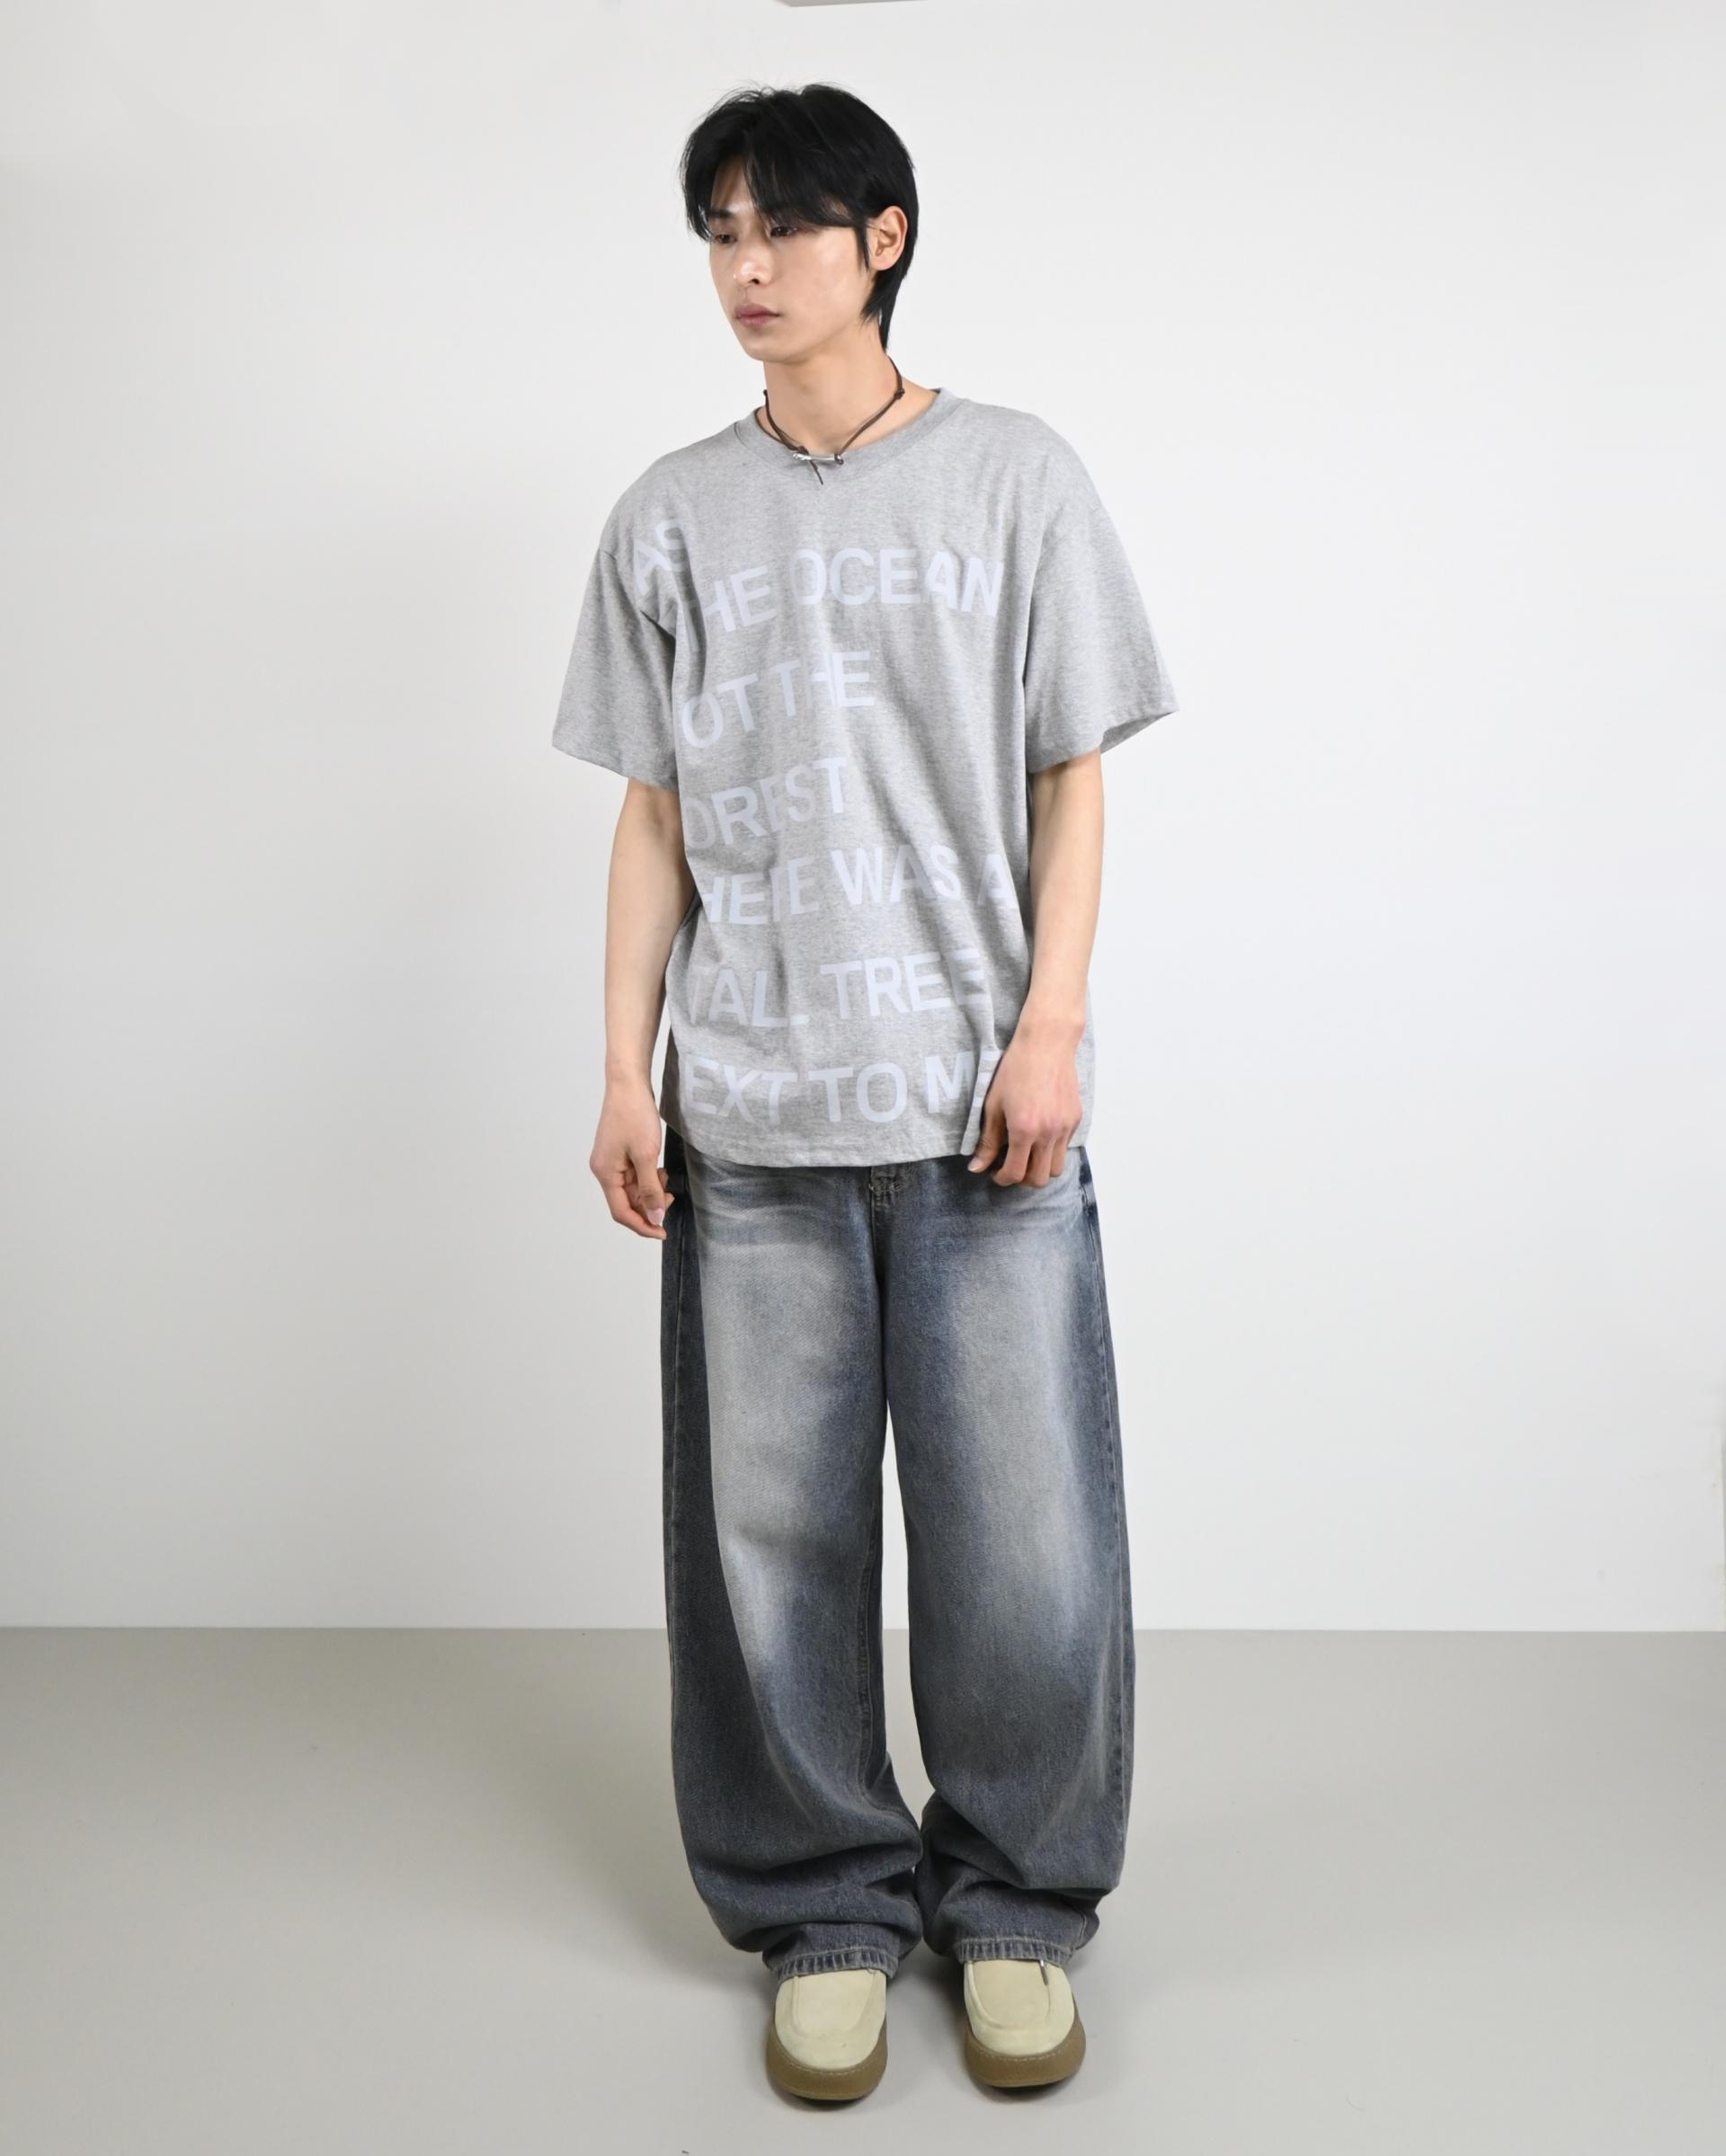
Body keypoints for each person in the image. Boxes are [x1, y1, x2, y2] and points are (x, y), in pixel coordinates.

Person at [551, 81, 1179, 2102]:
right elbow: (653, 815)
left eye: (784, 228)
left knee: (1025, 1550)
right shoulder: (669, 515)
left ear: (881, 238)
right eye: (720, 232)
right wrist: (624, 1067)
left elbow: (1074, 773)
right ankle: (821, 1905)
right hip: (751, 1116)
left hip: (982, 1109)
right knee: (770, 1553)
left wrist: (1052, 1025)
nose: (746, 268)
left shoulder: (1015, 477)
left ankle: (1017, 1907)